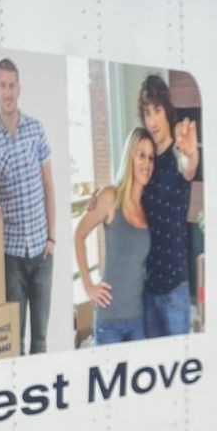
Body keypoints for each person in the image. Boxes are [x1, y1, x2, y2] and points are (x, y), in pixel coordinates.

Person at [0, 58, 55, 354]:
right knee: (14, 343)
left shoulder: (36, 131)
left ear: (18, 88)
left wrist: (52, 238)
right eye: (2, 86)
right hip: (11, 258)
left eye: (12, 85)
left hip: (42, 252)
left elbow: (49, 185)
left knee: (40, 341)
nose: (7, 92)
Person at [74, 127, 155, 345]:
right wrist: (88, 286)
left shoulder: (147, 206)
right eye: (141, 155)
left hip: (138, 319)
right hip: (110, 321)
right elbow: (79, 235)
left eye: (150, 157)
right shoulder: (110, 196)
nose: (146, 163)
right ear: (130, 157)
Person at [136, 73, 200, 338]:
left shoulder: (178, 153)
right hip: (147, 288)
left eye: (157, 110)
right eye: (146, 112)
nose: (152, 120)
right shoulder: (145, 159)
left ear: (166, 111)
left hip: (175, 289)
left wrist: (191, 154)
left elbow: (189, 168)